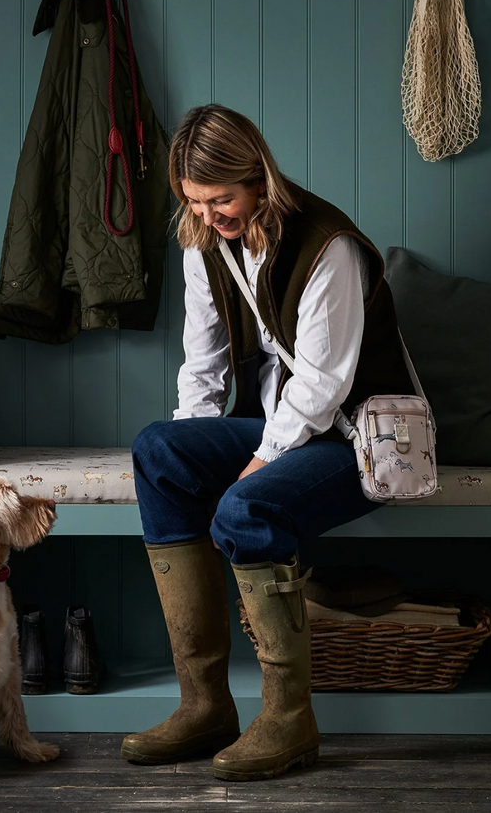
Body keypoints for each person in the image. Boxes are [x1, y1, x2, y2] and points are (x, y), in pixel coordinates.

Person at [120, 104, 413, 781]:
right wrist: (197, 446)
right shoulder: (204, 236)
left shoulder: (325, 245)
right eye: (194, 201)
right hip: (284, 420)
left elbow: (322, 385)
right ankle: (204, 705)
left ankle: (288, 720)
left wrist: (254, 466)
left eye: (220, 198)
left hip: (357, 436)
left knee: (244, 509)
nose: (209, 213)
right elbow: (203, 359)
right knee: (160, 451)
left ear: (257, 177)